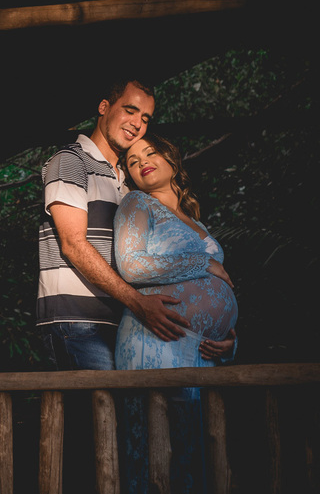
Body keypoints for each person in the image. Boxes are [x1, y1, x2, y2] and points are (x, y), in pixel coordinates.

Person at [38, 79, 191, 372]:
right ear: (104, 107)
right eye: (130, 111)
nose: (137, 124)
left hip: (122, 321)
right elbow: (73, 245)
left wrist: (212, 321)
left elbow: (154, 260)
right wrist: (137, 302)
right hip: (78, 323)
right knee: (99, 418)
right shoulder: (70, 160)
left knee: (122, 416)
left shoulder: (128, 182)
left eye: (145, 118)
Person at [114, 133, 238, 494]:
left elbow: (216, 289)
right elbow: (132, 267)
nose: (141, 162)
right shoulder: (136, 203)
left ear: (172, 160)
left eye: (150, 152)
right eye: (132, 161)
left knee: (195, 456)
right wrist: (204, 263)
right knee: (154, 457)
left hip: (202, 351)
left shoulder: (196, 220)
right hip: (155, 340)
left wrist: (229, 339)